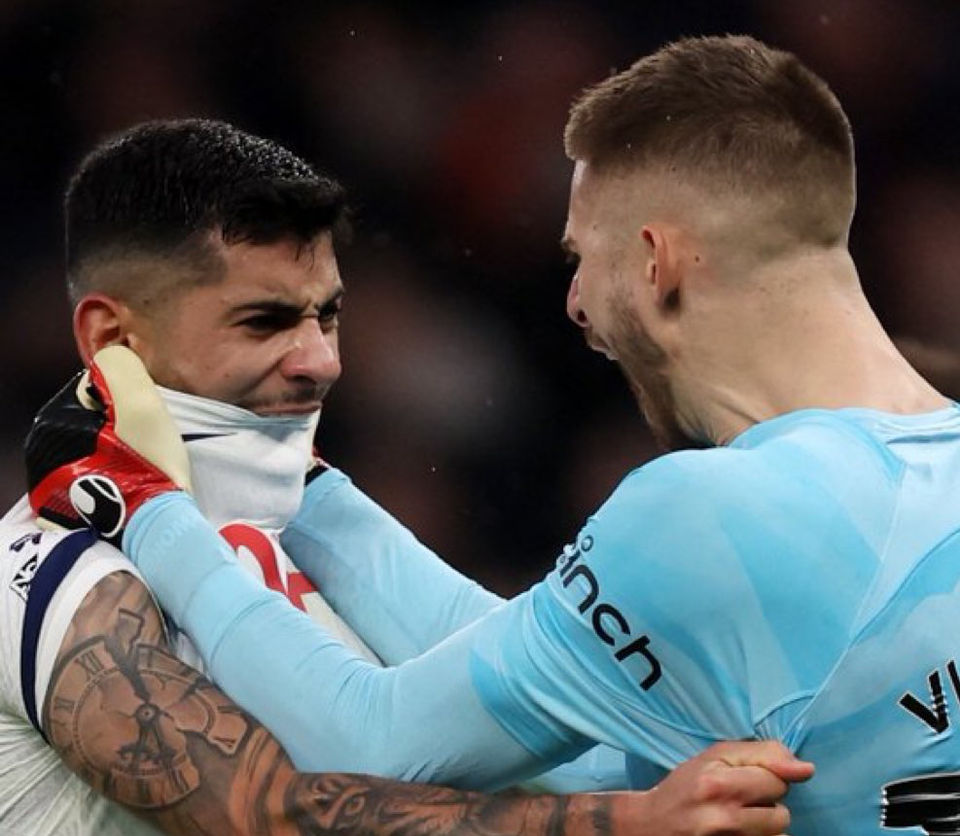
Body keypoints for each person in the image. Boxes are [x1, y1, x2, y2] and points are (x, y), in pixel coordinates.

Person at [31, 33, 960, 834]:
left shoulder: (718, 513)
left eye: (579, 258)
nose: (575, 303)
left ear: (654, 260)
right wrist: (307, 491)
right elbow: (549, 701)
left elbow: (374, 739)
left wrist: (146, 505)